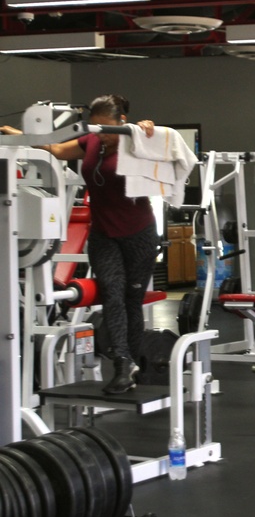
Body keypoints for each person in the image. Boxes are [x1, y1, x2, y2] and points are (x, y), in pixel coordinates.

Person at [2, 95, 156, 394]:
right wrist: (18, 135)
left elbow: (167, 148)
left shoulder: (137, 140)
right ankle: (122, 366)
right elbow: (56, 149)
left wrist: (149, 130)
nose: (101, 133)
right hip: (103, 234)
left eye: (107, 127)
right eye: (96, 126)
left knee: (131, 299)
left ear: (122, 122)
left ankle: (133, 360)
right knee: (112, 294)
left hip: (139, 233)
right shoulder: (92, 140)